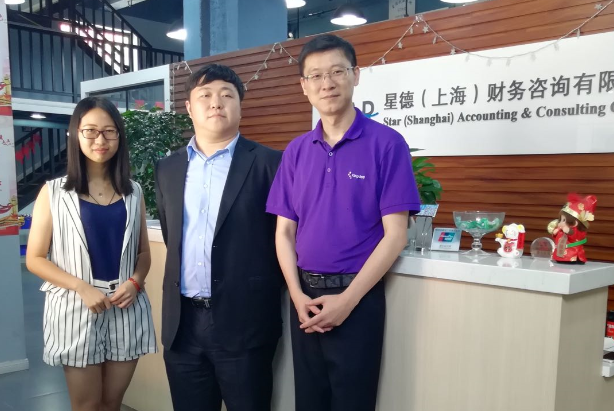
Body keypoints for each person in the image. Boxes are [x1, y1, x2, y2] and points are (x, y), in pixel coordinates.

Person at [266, 34, 421, 411]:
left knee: (353, 402)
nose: (327, 83)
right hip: (305, 298)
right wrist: (296, 295)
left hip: (358, 298)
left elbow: (395, 236)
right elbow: (284, 232)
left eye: (337, 71)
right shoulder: (296, 151)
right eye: (316, 75)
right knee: (309, 401)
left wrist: (347, 301)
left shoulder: (387, 144)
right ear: (304, 86)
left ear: (356, 75)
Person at [154, 63, 283, 411]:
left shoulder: (271, 163)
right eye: (205, 95)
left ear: (240, 106)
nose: (216, 103)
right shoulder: (168, 168)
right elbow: (171, 234)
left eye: (227, 95)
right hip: (182, 325)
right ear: (189, 107)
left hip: (246, 322)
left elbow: (284, 239)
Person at [26, 96, 156, 411]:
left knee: (112, 404)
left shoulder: (133, 192)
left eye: (110, 131)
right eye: (91, 131)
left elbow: (143, 253)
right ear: (76, 134)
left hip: (125, 306)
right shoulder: (53, 192)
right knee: (86, 405)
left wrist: (135, 282)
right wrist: (81, 287)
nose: (101, 140)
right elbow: (35, 258)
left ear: (119, 137)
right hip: (77, 307)